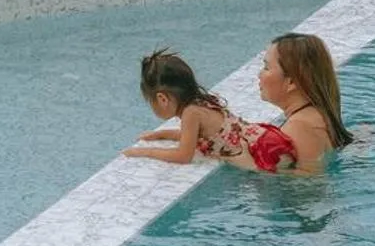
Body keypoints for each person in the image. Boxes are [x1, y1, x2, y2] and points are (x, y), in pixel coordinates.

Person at [123, 34, 354, 173]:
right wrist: (162, 135)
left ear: (291, 81)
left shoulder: (301, 127)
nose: (259, 74)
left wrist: (248, 165)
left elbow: (311, 185)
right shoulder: (312, 115)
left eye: (265, 66)